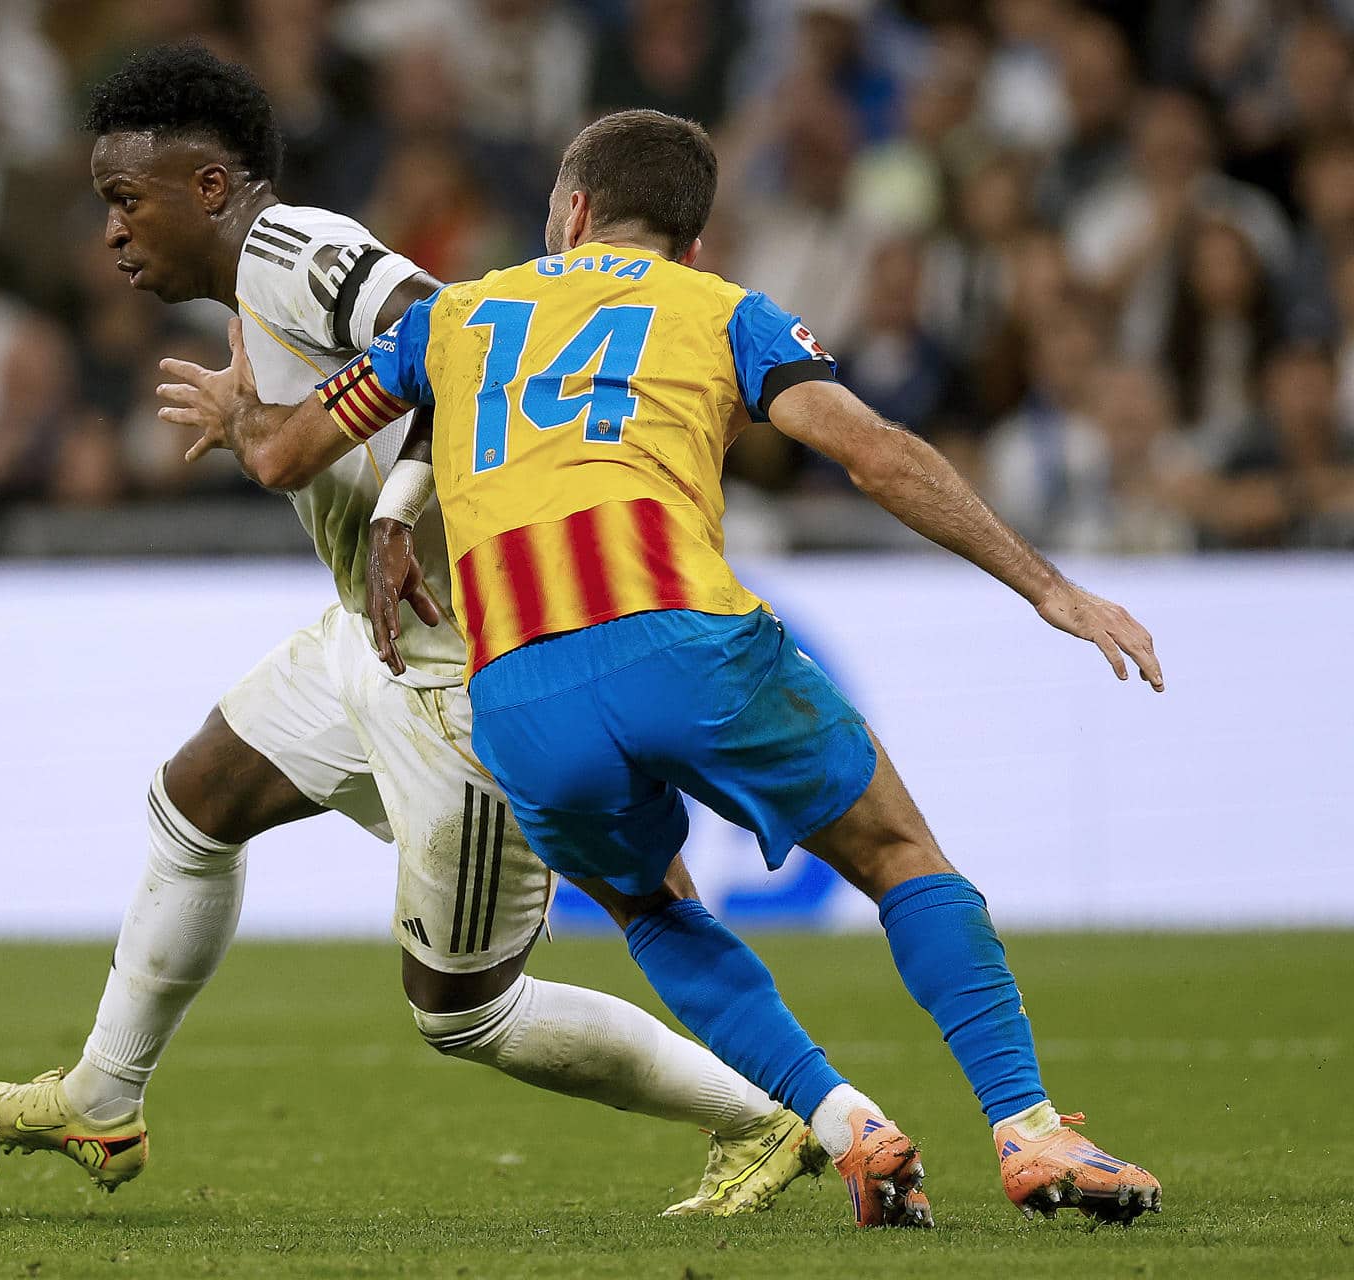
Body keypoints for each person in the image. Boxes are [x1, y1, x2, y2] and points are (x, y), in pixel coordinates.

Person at [159, 108, 1165, 1229]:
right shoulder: (722, 308)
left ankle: (849, 1126)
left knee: (653, 909)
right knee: (896, 851)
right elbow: (869, 449)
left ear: (574, 209)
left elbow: (285, 452)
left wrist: (243, 410)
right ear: (693, 241)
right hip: (685, 640)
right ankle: (1029, 1131)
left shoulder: (457, 316)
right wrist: (1046, 586)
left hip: (521, 695)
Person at [0, 46, 823, 1219]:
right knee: (194, 800)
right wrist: (263, 422)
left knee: (462, 1010)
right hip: (374, 642)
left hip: (464, 669)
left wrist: (393, 507)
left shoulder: (298, 253)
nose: (113, 232)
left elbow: (461, 340)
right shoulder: (256, 290)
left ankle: (766, 1113)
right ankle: (102, 1098)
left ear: (211, 188)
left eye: (127, 199)